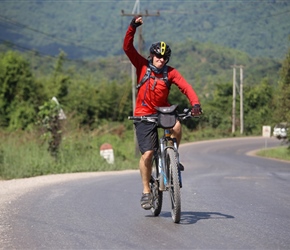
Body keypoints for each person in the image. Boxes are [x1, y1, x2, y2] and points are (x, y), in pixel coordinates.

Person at [123, 16, 202, 210]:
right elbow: (127, 48)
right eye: (157, 56)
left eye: (164, 58)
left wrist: (196, 103)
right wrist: (132, 27)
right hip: (143, 114)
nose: (160, 60)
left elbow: (186, 87)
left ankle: (174, 156)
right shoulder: (142, 65)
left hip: (161, 111)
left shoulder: (170, 72)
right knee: (148, 153)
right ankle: (146, 191)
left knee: (176, 124)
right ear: (151, 56)